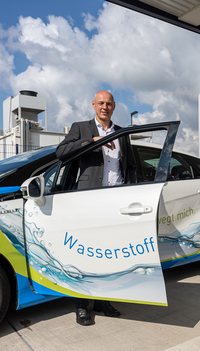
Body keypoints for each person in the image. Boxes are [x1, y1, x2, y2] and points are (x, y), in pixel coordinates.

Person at [56, 90, 137, 326]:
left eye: (109, 104)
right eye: (100, 103)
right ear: (93, 105)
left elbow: (129, 166)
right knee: (84, 254)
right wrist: (91, 142)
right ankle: (81, 305)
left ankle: (103, 301)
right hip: (89, 201)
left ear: (114, 106)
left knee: (110, 254)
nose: (105, 107)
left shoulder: (122, 133)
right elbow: (61, 152)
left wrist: (134, 192)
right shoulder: (81, 128)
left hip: (116, 201)